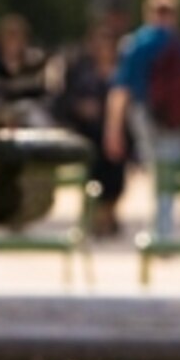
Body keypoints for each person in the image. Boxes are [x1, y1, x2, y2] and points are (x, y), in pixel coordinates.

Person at [106, 0, 180, 244]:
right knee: (169, 171)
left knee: (157, 171)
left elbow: (120, 91)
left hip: (144, 115)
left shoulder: (135, 44)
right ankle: (163, 229)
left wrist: (113, 129)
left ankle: (161, 228)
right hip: (177, 119)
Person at [54, 20, 125, 238]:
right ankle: (96, 219)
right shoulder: (80, 69)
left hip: (117, 134)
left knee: (116, 181)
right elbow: (63, 100)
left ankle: (107, 216)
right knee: (91, 177)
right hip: (88, 135)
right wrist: (80, 108)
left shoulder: (122, 68)